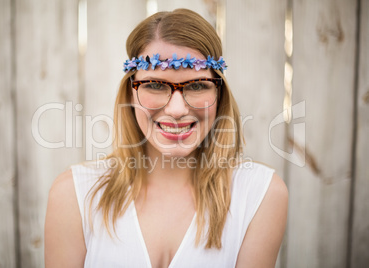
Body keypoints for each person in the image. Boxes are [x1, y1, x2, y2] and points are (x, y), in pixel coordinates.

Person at [44, 8, 288, 268]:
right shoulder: (75, 194)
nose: (177, 109)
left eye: (196, 85)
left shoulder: (260, 195)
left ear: (219, 95)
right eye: (156, 85)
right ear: (130, 93)